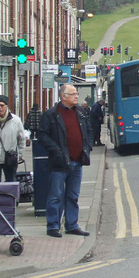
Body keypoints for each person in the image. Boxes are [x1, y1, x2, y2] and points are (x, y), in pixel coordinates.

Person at [38, 83, 92, 238]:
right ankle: (53, 226)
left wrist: (87, 147)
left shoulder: (80, 112)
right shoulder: (51, 114)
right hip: (59, 163)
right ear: (63, 96)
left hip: (77, 161)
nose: (76, 96)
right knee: (55, 195)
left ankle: (72, 225)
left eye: (76, 93)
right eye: (73, 94)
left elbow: (88, 130)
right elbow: (42, 135)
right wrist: (56, 150)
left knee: (73, 196)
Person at [0, 95, 26, 183]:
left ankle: (11, 197)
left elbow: (21, 138)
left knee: (11, 182)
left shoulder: (15, 120)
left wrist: (20, 154)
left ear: (6, 106)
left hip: (9, 158)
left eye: (2, 105)